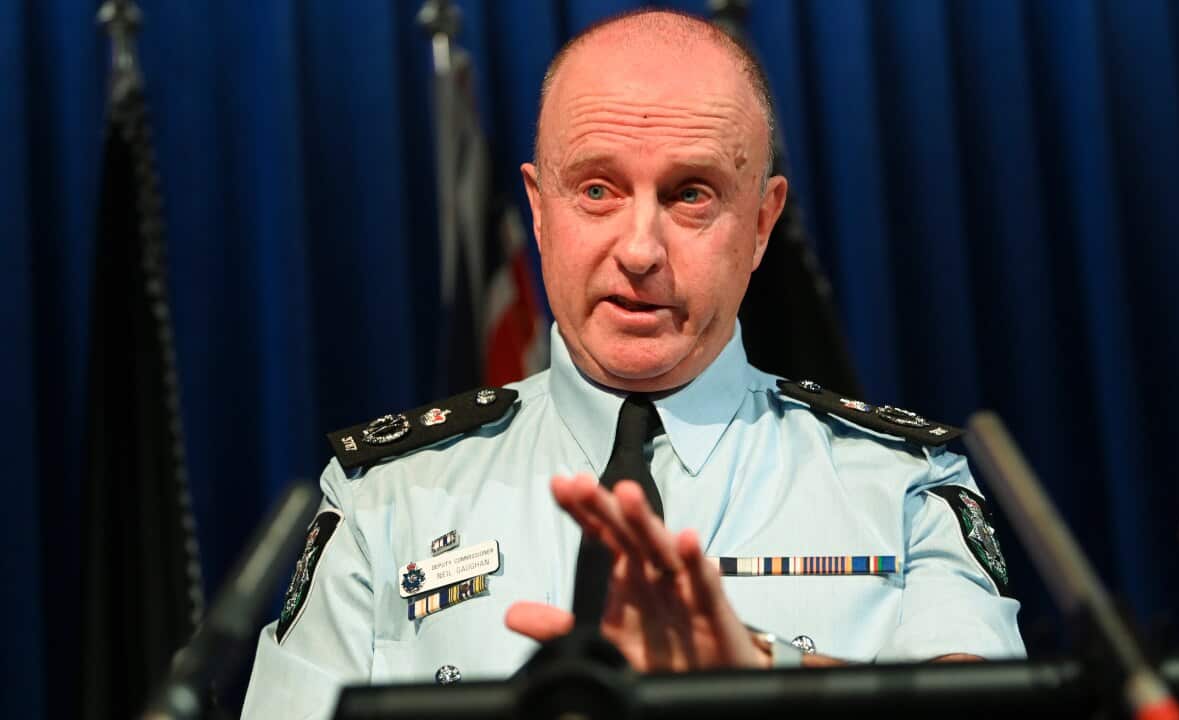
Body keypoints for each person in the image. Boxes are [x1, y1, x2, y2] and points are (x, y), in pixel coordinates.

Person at [241, 9, 1024, 718]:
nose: (641, 250)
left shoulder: (903, 487)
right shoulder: (388, 499)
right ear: (540, 211)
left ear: (760, 222)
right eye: (596, 189)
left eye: (691, 195)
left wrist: (761, 676)